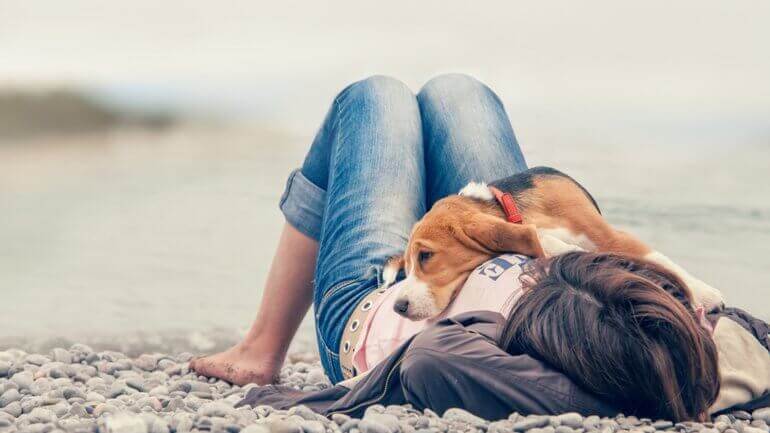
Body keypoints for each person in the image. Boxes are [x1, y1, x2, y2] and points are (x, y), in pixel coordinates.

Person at [191, 75, 768, 421]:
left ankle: (261, 349)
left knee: (372, 98)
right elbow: (750, 333)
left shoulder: (559, 380)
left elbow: (428, 360)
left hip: (372, 309)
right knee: (458, 92)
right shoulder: (701, 357)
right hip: (502, 240)